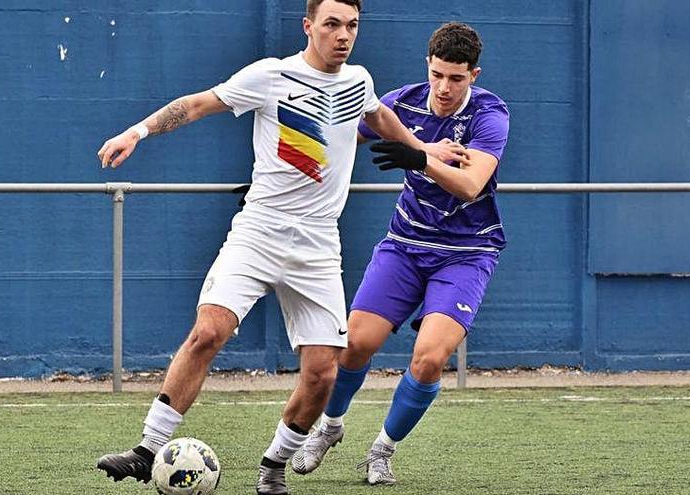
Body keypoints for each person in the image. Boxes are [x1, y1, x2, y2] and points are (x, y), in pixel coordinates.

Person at [94, 2, 466, 494]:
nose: (343, 35)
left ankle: (272, 468)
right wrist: (136, 131)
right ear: (309, 26)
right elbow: (200, 103)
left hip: (317, 245)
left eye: (352, 25)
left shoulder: (358, 80)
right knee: (209, 331)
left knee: (322, 374)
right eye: (332, 24)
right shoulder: (272, 75)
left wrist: (425, 151)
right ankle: (146, 450)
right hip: (260, 231)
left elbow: (381, 118)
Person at [290, 22, 510, 486]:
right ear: (427, 68)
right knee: (353, 344)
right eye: (437, 75)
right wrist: (280, 179)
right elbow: (338, 138)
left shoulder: (489, 115)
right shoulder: (402, 102)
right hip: (405, 245)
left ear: (474, 74)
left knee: (429, 359)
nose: (444, 88)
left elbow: (472, 186)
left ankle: (381, 450)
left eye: (456, 78)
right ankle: (329, 429)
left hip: (465, 253)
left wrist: (420, 157)